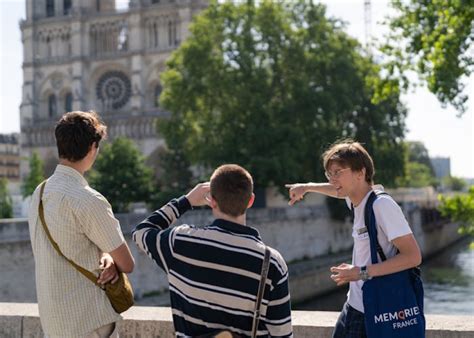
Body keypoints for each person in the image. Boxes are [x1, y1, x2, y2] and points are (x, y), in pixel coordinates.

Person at [132, 164, 293, 337]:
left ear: (212, 201)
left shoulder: (180, 242)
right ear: (250, 200)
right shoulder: (272, 263)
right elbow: (282, 334)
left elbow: (141, 232)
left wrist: (186, 201)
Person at [286, 140, 422, 338]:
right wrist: (306, 187)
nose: (332, 179)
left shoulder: (382, 206)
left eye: (338, 172)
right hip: (355, 305)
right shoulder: (358, 200)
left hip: (376, 310)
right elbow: (337, 191)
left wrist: (361, 272)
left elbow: (413, 256)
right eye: (329, 174)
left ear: (361, 173)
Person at [28, 111, 135, 338]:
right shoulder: (89, 199)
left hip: (55, 322)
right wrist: (112, 259)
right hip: (89, 322)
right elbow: (126, 263)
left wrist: (105, 255)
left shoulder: (40, 192)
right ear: (92, 148)